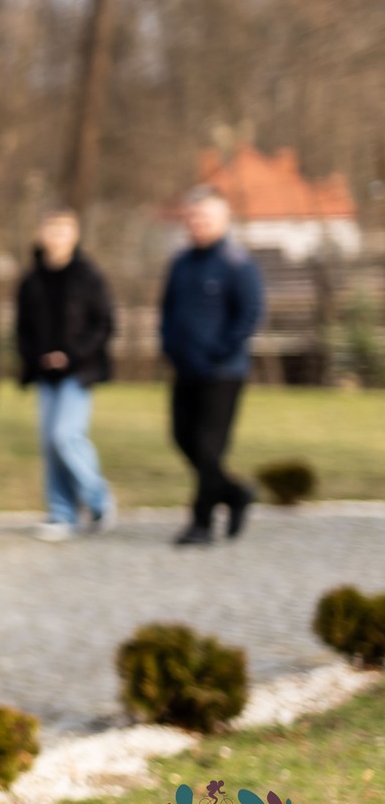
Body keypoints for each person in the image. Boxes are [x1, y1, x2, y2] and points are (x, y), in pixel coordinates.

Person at [160, 188, 264, 546]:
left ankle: (201, 523)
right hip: (185, 368)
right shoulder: (181, 263)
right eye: (193, 217)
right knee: (181, 437)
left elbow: (249, 313)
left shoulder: (237, 263)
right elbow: (169, 311)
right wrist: (169, 346)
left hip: (223, 372)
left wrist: (221, 350)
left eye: (205, 217)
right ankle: (235, 493)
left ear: (224, 219)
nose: (197, 224)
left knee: (208, 449)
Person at [15, 207, 116, 541]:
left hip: (79, 371)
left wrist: (72, 355)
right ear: (41, 234)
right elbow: (22, 328)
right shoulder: (32, 279)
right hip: (45, 374)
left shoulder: (88, 276)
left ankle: (99, 499)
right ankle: (62, 514)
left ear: (74, 235)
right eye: (51, 229)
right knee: (49, 444)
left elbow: (104, 323)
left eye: (64, 230)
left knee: (66, 436)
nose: (57, 236)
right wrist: (35, 357)